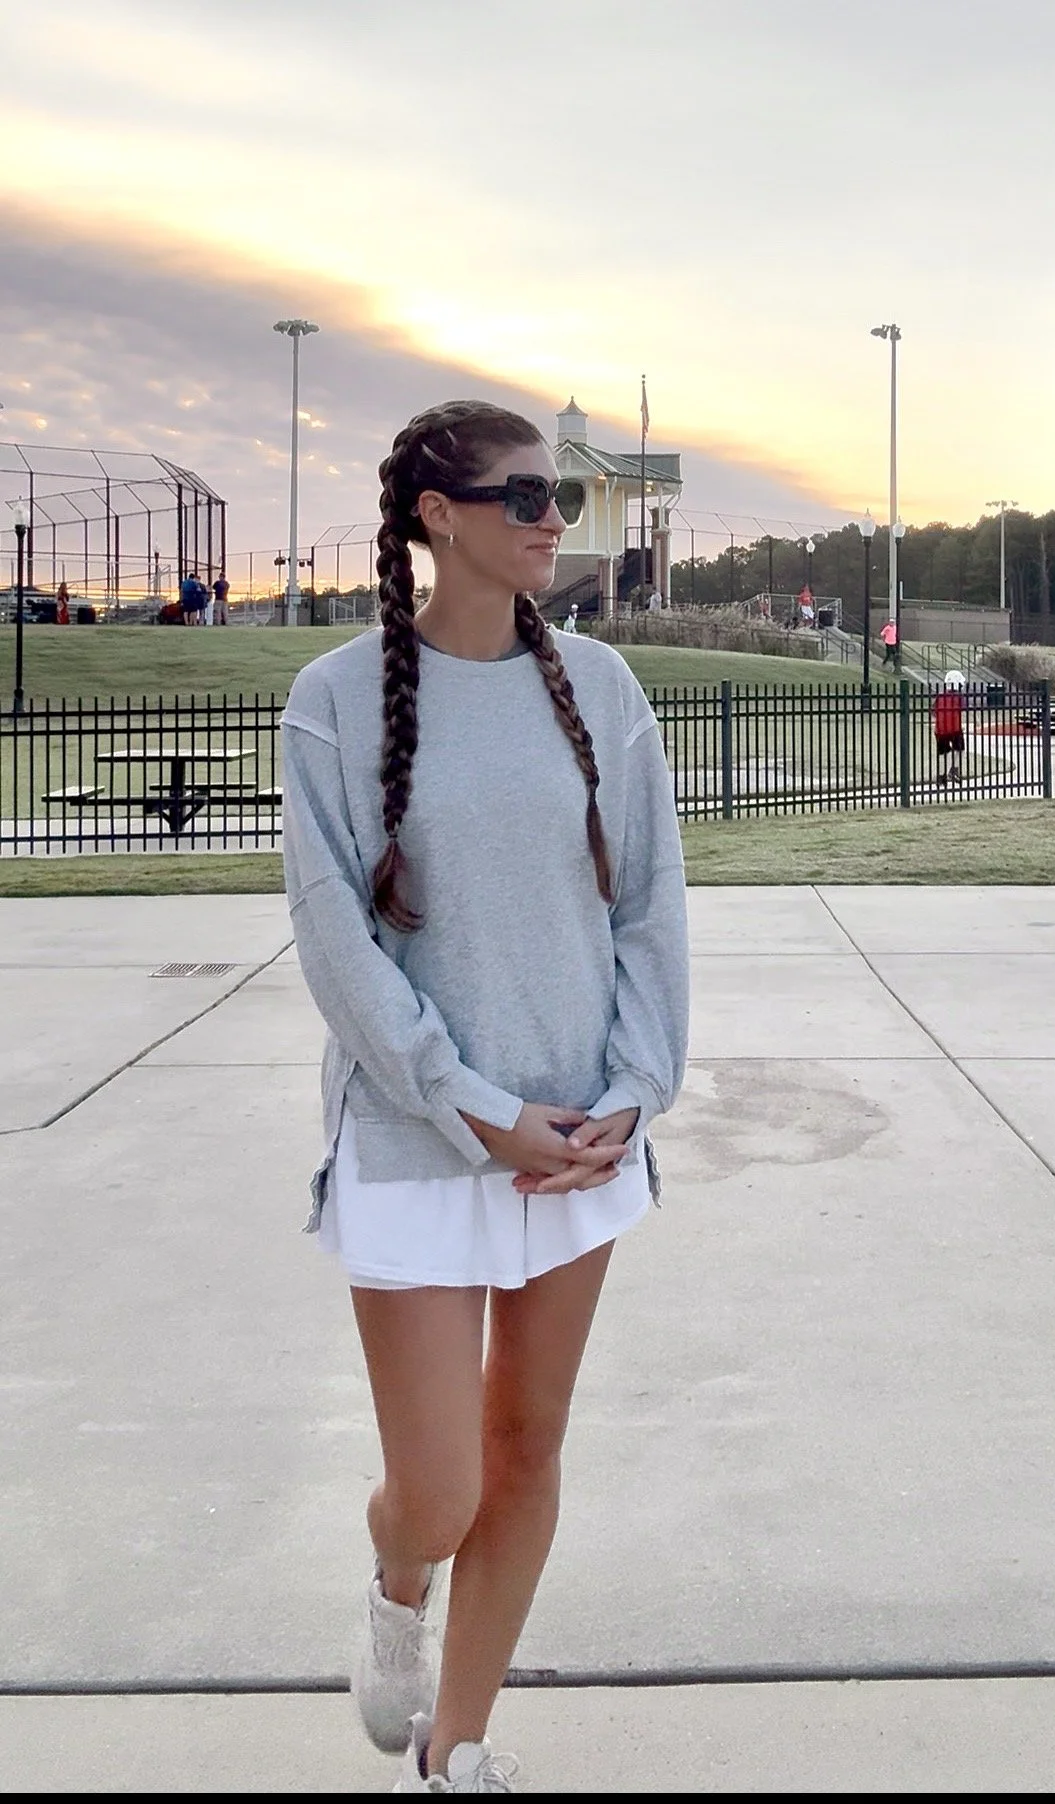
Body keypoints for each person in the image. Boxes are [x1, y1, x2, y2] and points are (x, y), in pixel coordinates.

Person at [280, 399, 689, 1794]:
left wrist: (635, 1090)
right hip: (419, 1142)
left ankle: (456, 1752)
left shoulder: (605, 693)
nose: (552, 520)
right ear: (435, 516)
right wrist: (472, 1108)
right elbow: (338, 943)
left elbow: (649, 909)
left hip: (577, 1143)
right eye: (520, 497)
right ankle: (399, 1580)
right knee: (443, 1491)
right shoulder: (333, 700)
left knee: (526, 1451)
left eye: (559, 495)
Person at [933, 669, 967, 785]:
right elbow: (964, 710)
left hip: (940, 730)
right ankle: (954, 770)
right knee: (960, 749)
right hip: (954, 729)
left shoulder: (940, 696)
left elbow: (933, 712)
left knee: (944, 753)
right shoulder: (958, 697)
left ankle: (941, 776)